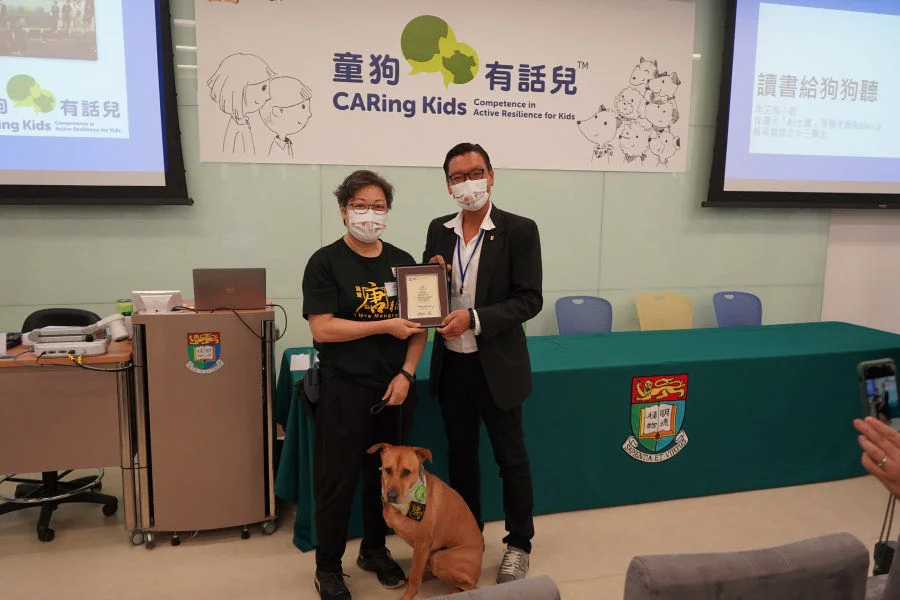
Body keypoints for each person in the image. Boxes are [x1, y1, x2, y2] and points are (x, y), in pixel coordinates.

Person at [303, 169, 427, 600]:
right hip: (344, 389)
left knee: (389, 480)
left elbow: (420, 329)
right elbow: (322, 328)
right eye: (360, 206)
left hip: (395, 389)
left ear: (387, 213)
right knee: (337, 481)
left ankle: (375, 550)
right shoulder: (325, 262)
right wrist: (383, 325)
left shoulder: (403, 261)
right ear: (343, 210)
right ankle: (328, 566)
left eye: (378, 207)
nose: (369, 215)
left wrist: (406, 373)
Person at [423, 142, 543, 583]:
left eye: (475, 173)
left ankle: (519, 544)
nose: (467, 183)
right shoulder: (439, 229)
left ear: (491, 176)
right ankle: (467, 537)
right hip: (452, 365)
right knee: (461, 456)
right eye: (458, 177)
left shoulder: (519, 230)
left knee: (511, 459)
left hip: (497, 366)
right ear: (448, 185)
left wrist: (474, 319)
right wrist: (433, 275)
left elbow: (529, 299)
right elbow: (428, 292)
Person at [206, 53, 275, 156]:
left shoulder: (241, 124)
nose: (268, 96)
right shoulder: (238, 129)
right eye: (263, 88)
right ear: (238, 91)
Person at [259, 75, 312, 160]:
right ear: (279, 111)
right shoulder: (277, 150)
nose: (309, 114)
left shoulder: (287, 145)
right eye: (303, 107)